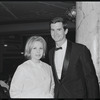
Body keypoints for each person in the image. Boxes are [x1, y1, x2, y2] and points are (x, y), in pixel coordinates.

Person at [49, 17, 100, 98]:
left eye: (59, 29)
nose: (55, 33)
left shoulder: (80, 49)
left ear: (66, 31)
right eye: (52, 30)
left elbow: (91, 79)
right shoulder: (51, 52)